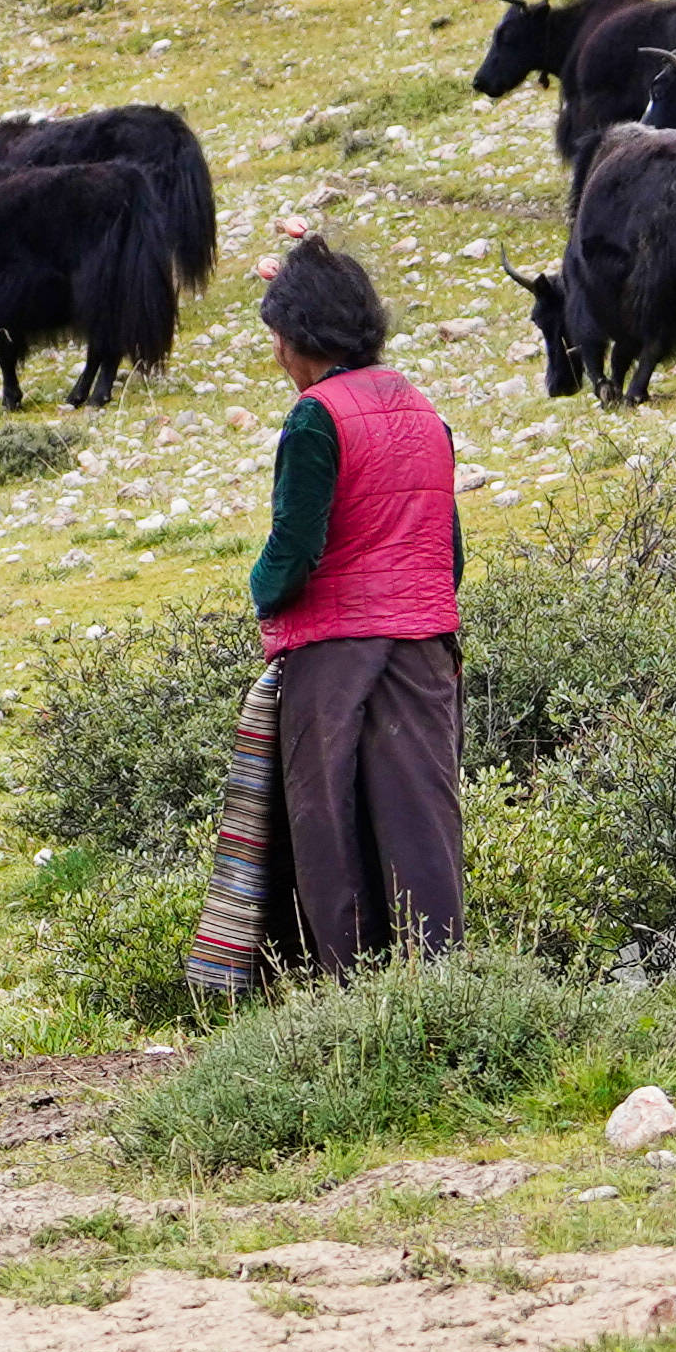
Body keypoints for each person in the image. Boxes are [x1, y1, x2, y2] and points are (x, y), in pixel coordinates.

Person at [238, 233, 465, 971]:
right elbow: (449, 552)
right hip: (426, 651)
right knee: (421, 828)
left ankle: (349, 998)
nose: (275, 353)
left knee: (330, 831)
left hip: (335, 658)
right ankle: (442, 986)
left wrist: (263, 597)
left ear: (300, 337)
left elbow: (295, 548)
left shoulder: (315, 417)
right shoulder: (423, 410)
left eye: (277, 335)